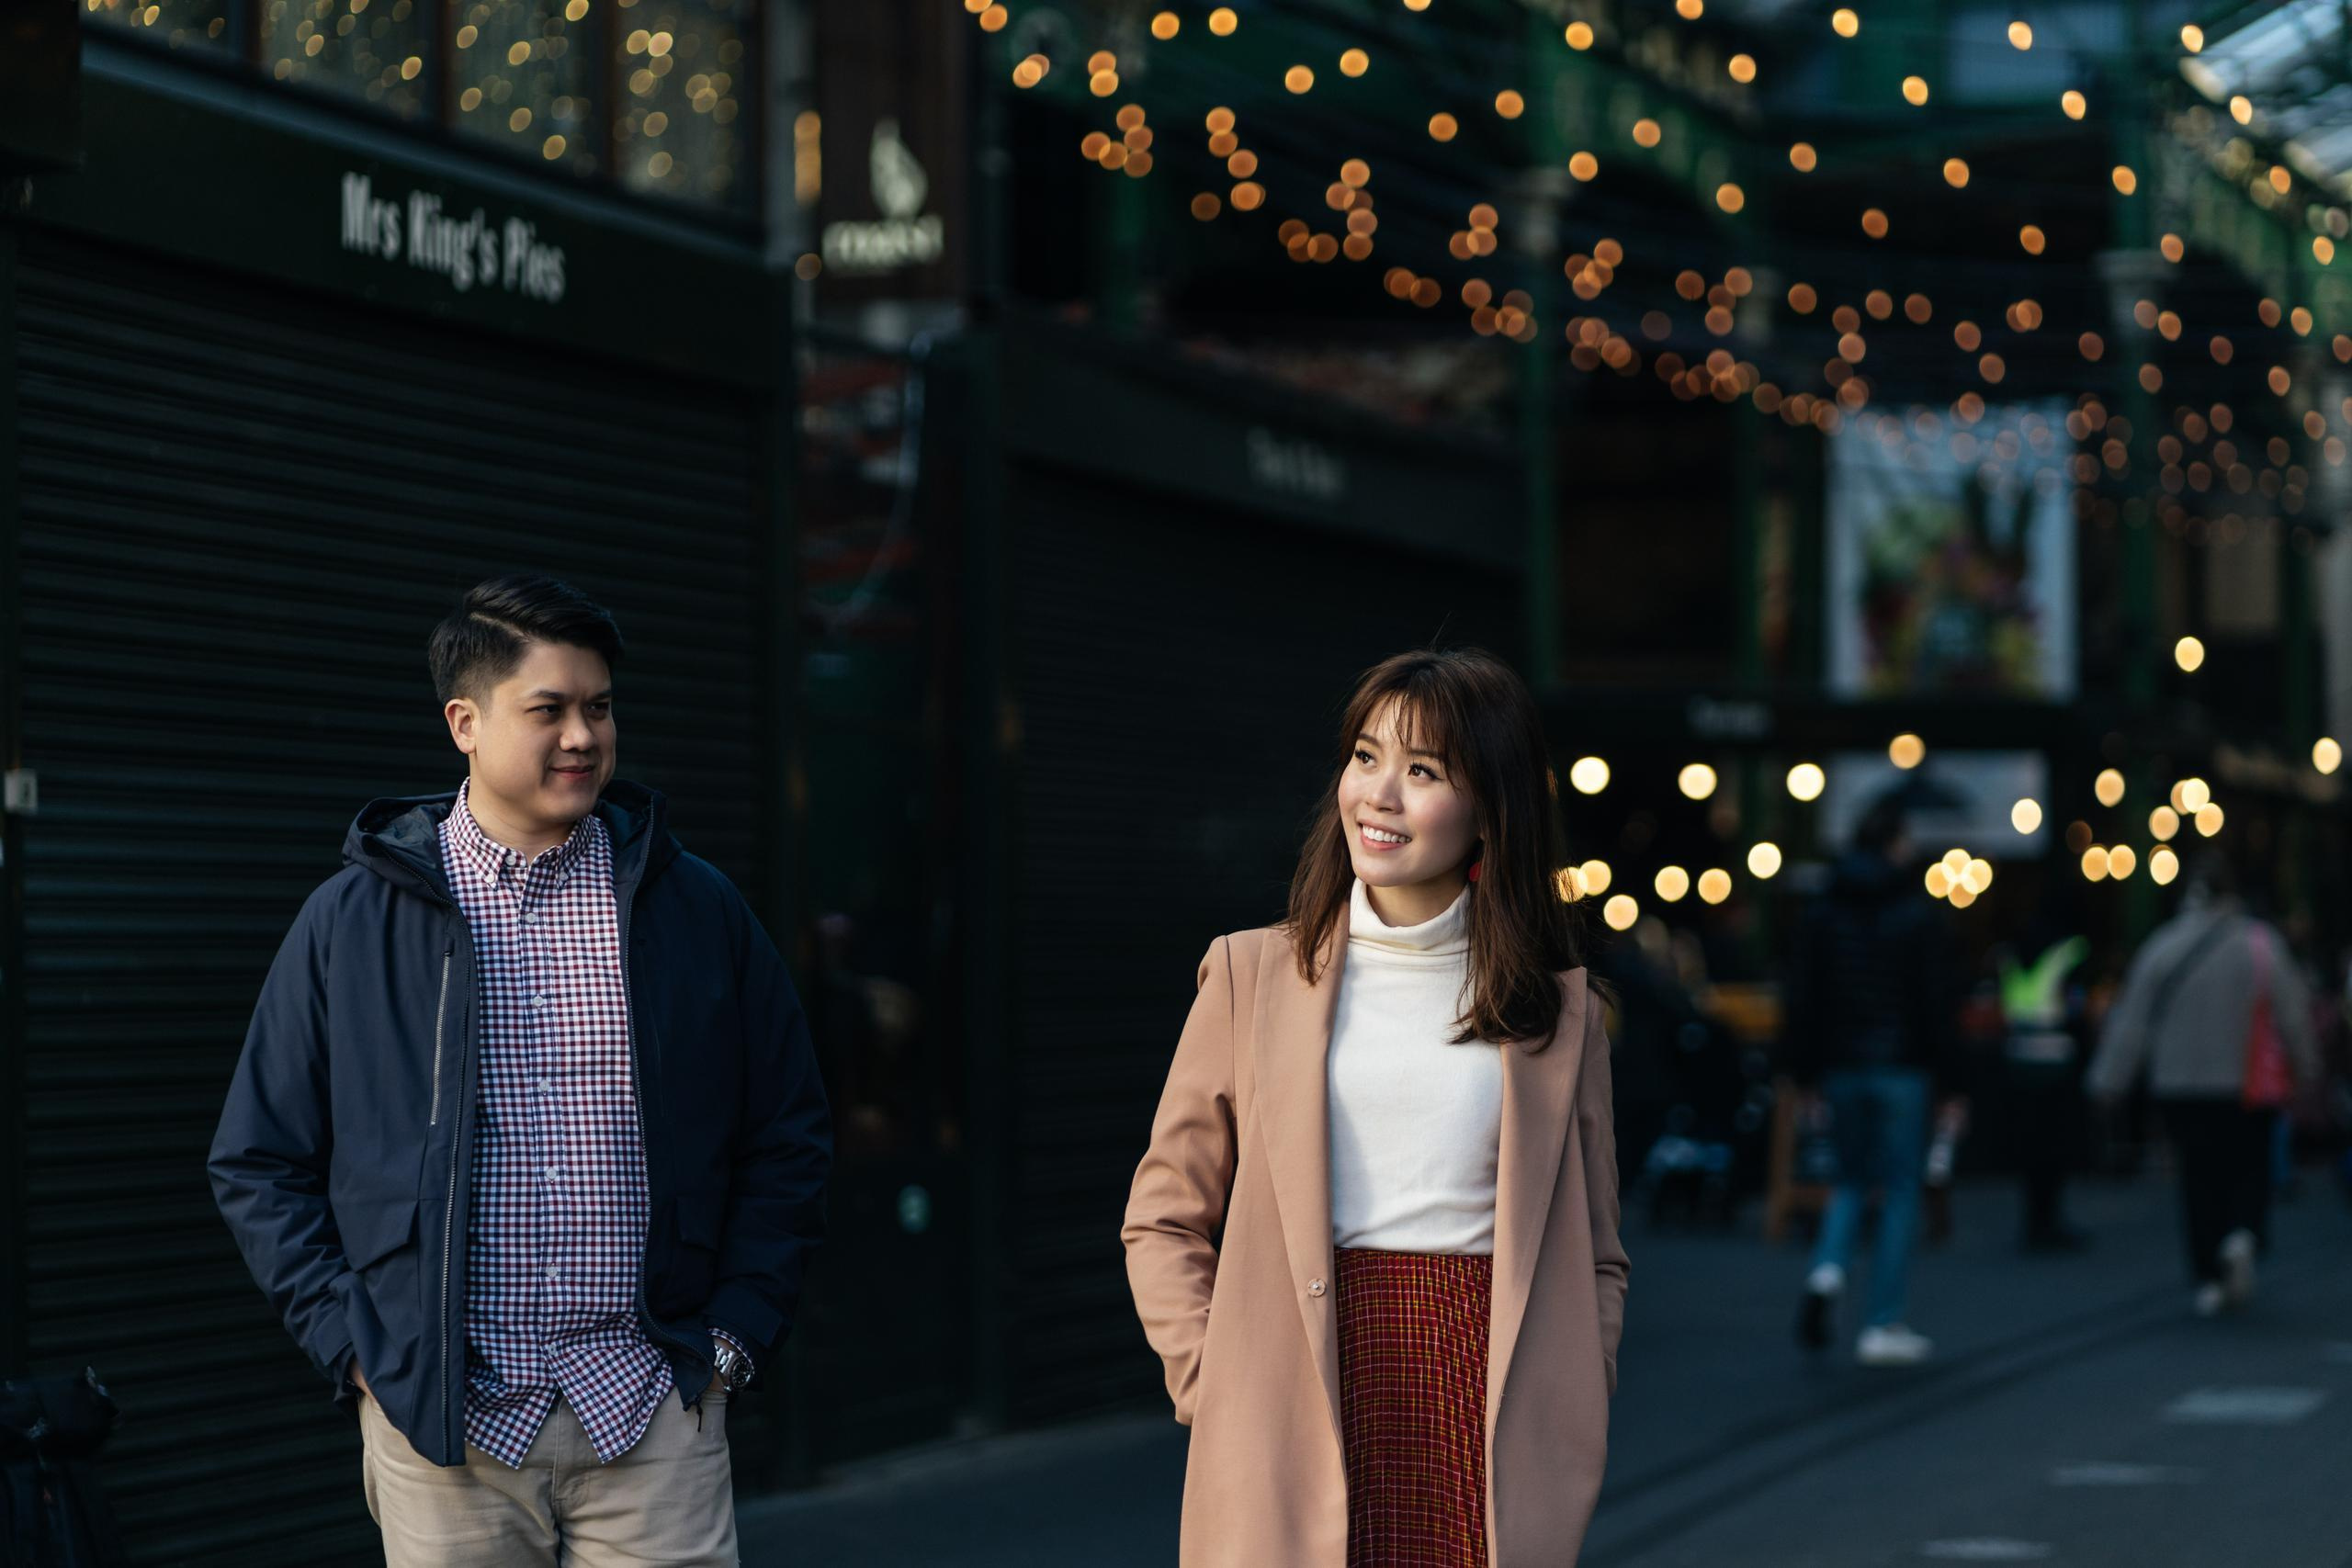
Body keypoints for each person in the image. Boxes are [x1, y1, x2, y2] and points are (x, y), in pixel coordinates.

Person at [209, 575, 831, 1567]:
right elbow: (256, 1158)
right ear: (465, 722)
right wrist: (360, 1348)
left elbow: (788, 1130)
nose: (583, 736)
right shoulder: (354, 921)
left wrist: (731, 1341)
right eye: (549, 710)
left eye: (600, 707)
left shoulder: (693, 909)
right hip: (446, 1431)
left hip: (652, 1412)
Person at [1123, 648, 1629, 1567]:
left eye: (1423, 771)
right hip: (1292, 1397)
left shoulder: (1560, 1016)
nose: (1379, 795)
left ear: (1490, 809)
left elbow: (1597, 1252)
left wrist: (1578, 1397)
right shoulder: (1249, 975)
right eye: (1365, 756)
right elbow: (1162, 1217)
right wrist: (1212, 1381)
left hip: (1486, 1414)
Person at [2086, 854, 2318, 1316]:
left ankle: (2209, 1271)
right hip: (2247, 1083)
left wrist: (2108, 1080)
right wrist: (2307, 1070)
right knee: (2249, 1164)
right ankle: (2244, 1233)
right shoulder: (2260, 944)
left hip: (2180, 1084)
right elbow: (2292, 1014)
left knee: (2198, 1175)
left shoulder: (2163, 945)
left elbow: (2133, 1021)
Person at [1786, 793, 1964, 1366]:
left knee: (1849, 1179)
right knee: (1901, 1187)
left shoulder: (1822, 911)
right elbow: (1936, 1002)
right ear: (1896, 845)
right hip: (1903, 1068)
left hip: (1840, 1066)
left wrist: (1804, 1072)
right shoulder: (1917, 913)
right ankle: (1882, 1321)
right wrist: (1952, 1080)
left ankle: (1827, 1270)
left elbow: (1804, 997)